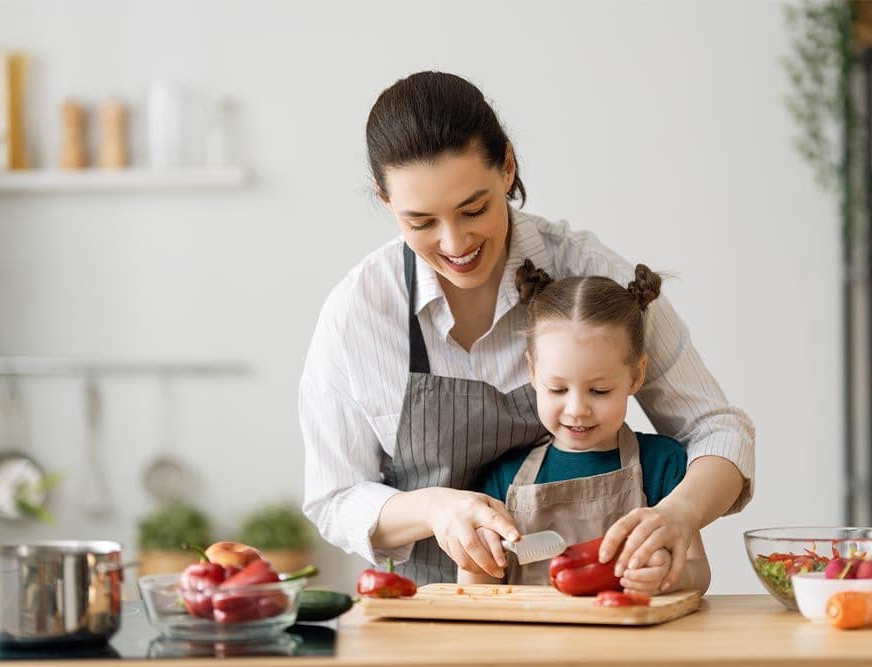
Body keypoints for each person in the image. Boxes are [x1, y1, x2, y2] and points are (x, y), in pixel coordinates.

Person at [300, 71, 754, 588]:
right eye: (421, 222)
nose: (454, 242)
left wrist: (679, 515)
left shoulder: (587, 271)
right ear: (386, 203)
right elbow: (334, 498)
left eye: (474, 209)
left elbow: (717, 428)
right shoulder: (358, 311)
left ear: (508, 167)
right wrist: (436, 509)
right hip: (423, 614)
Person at [457, 261, 711, 595]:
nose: (577, 410)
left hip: (634, 643)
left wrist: (667, 576)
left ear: (636, 375)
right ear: (533, 373)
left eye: (600, 390)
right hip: (528, 646)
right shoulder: (504, 476)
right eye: (558, 389)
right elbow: (480, 591)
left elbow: (698, 572)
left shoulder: (662, 463)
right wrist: (475, 560)